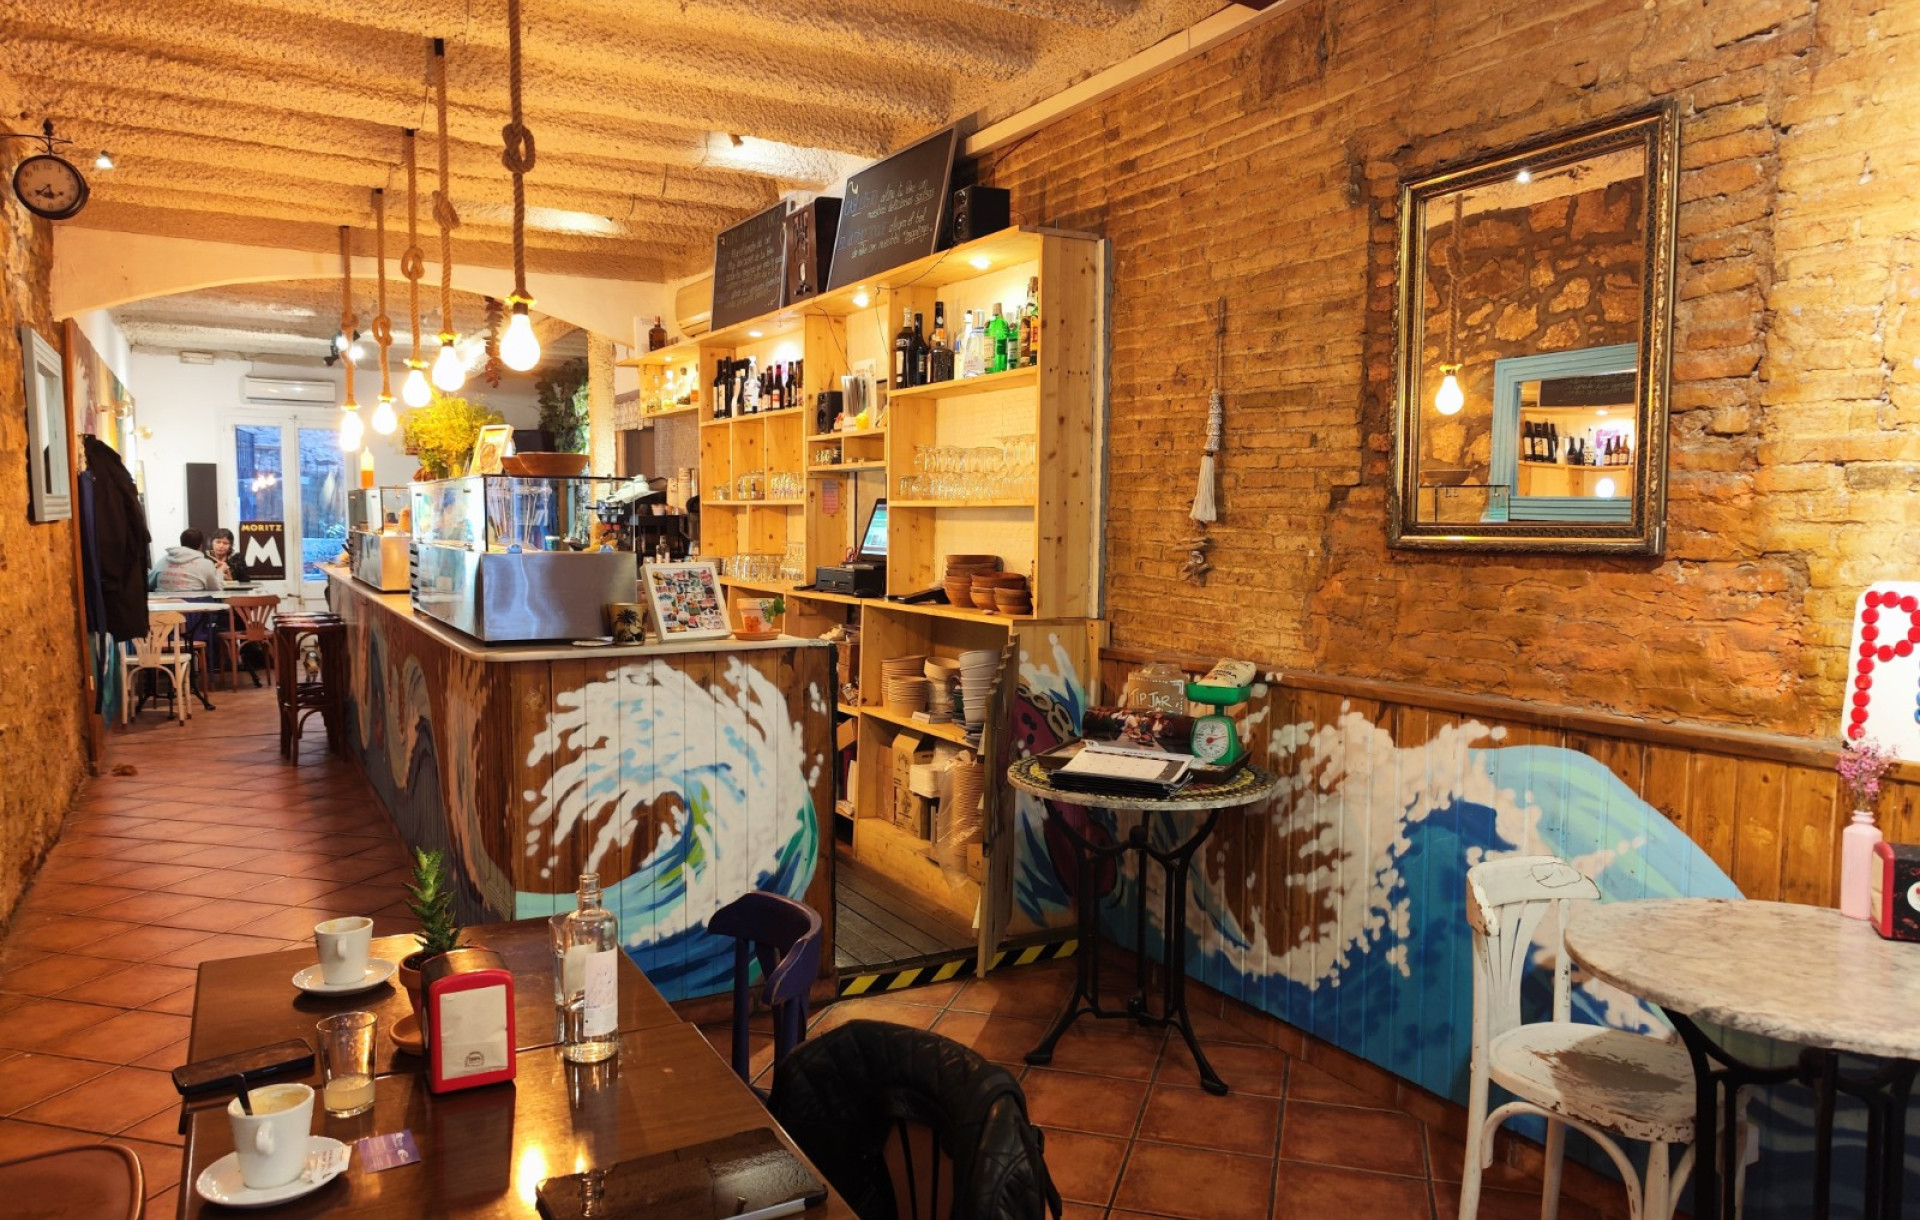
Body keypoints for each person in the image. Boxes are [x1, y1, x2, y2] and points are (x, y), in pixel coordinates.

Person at [150, 528, 223, 592]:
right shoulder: (206, 564)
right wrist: (220, 571)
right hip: (196, 603)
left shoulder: (163, 560)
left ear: (181, 543)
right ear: (200, 545)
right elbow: (216, 590)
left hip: (164, 603)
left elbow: (149, 584)